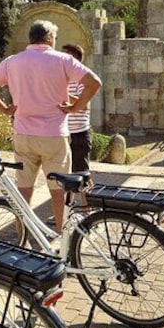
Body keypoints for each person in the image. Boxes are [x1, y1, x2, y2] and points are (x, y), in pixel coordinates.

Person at [0, 20, 101, 230]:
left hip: (23, 134)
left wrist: (5, 109)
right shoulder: (63, 60)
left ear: (31, 38)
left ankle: (22, 238)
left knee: (23, 189)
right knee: (58, 190)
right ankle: (62, 238)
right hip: (54, 135)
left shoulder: (12, 62)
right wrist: (74, 107)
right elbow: (94, 82)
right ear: (50, 38)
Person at [62, 43, 93, 207]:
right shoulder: (65, 79)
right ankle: (67, 209)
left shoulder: (84, 79)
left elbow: (85, 104)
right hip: (66, 134)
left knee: (82, 173)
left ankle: (87, 208)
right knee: (67, 173)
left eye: (66, 56)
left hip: (80, 133)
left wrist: (64, 94)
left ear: (74, 59)